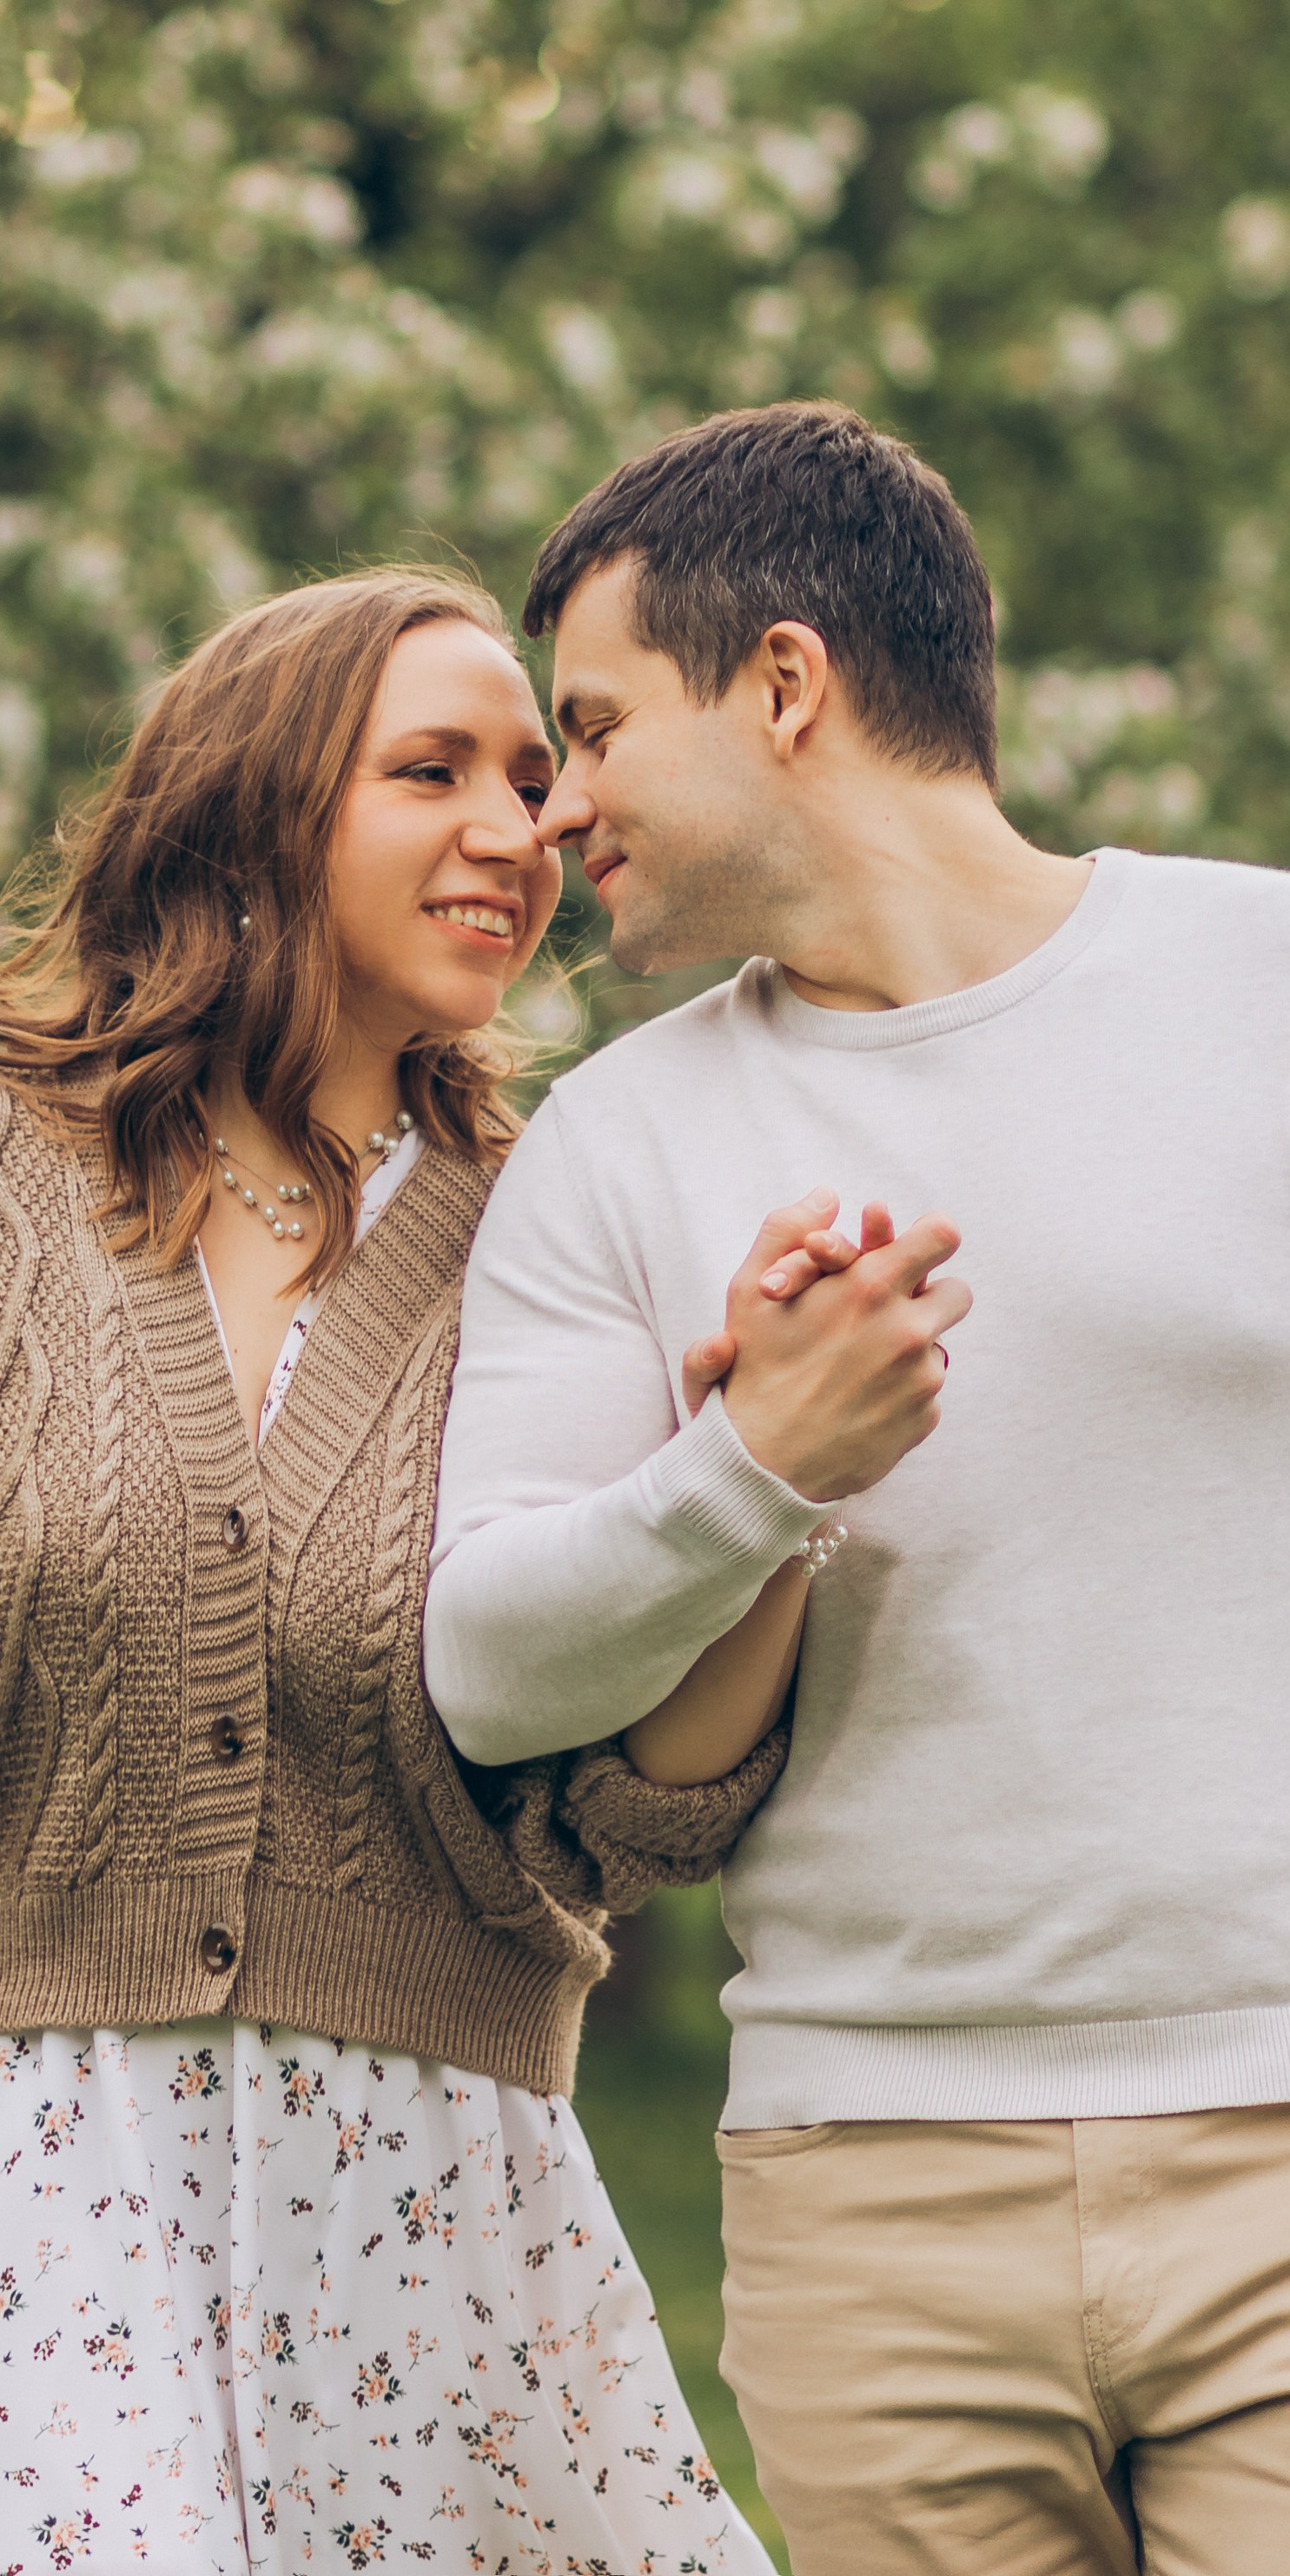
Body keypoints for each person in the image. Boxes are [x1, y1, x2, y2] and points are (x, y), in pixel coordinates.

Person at [0, 565, 791, 2574]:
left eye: (533, 774)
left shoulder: (565, 1223)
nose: (520, 829)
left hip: (434, 2188)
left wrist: (762, 1487)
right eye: (433, 771)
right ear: (252, 813)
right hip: (13, 2169)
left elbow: (637, 1804)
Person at [424, 401, 1290, 2576]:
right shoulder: (614, 1144)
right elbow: (489, 1665)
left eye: (594, 728)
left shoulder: (1260, 985)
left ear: (788, 683)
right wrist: (751, 1466)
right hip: (868, 2177)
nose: (560, 809)